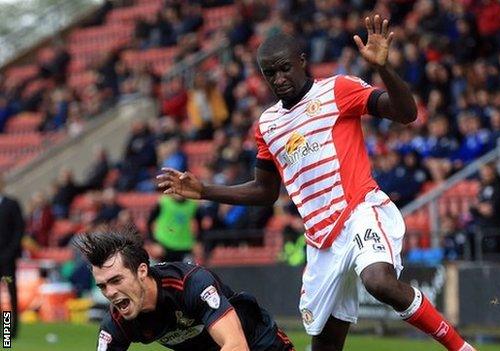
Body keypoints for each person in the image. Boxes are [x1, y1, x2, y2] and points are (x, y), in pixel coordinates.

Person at [158, 14, 475, 351]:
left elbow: (406, 113)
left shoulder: (338, 89)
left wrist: (384, 68)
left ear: (302, 61)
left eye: (284, 68)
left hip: (360, 210)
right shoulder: (267, 125)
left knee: (378, 281)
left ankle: (460, 347)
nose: (279, 78)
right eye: (270, 74)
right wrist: (206, 190)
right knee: (324, 343)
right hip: (321, 240)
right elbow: (265, 192)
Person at [74, 229, 294, 351]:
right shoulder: (116, 323)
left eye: (116, 280)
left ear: (142, 271)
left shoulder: (190, 284)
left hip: (258, 342)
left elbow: (236, 345)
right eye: (102, 286)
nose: (110, 292)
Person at [0, 176, 25, 338]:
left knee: (10, 292)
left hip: (6, 262)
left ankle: (11, 330)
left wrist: (9, 253)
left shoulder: (11, 204)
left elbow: (18, 231)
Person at [146, 194, 203, 263]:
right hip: (164, 245)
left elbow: (200, 225)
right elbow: (149, 222)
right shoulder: (164, 202)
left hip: (185, 245)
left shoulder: (193, 205)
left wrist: (198, 241)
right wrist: (154, 242)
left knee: (187, 271)